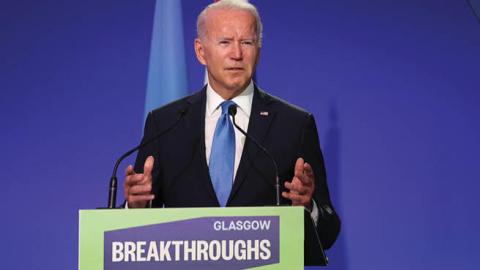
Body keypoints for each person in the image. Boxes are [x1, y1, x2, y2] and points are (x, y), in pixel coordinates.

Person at [123, 0, 340, 250]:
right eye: (225, 42)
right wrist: (134, 207)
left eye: (247, 42)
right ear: (200, 51)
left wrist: (307, 208)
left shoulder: (295, 125)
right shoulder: (165, 123)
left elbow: (328, 232)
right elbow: (134, 234)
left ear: (258, 49)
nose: (237, 54)